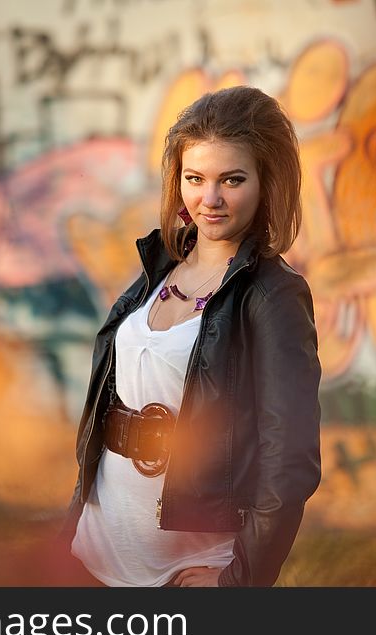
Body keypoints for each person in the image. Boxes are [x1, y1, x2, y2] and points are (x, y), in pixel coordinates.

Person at [61, 85, 321, 587]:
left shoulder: (273, 296)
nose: (211, 199)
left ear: (268, 183)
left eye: (233, 179)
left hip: (187, 567)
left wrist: (239, 580)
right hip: (95, 547)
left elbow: (289, 461)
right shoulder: (158, 267)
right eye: (195, 178)